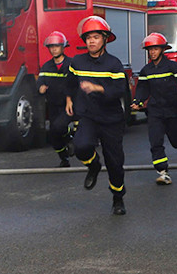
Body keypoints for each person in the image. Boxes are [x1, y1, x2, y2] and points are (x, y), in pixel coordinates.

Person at [65, 16, 127, 215]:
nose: (91, 41)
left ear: (105, 39)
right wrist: (68, 100)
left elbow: (119, 90)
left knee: (115, 163)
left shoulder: (114, 64)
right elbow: (70, 82)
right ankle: (93, 165)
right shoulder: (77, 62)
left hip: (111, 119)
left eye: (96, 37)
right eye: (88, 37)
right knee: (80, 146)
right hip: (88, 116)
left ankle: (118, 198)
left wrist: (97, 88)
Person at [131, 33, 177, 186]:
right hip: (155, 111)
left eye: (155, 49)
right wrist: (137, 101)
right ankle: (162, 172)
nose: (152, 52)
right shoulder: (146, 70)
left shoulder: (174, 67)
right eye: (150, 49)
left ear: (162, 50)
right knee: (155, 142)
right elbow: (142, 88)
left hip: (172, 110)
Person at [37, 31, 74, 167]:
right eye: (51, 46)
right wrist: (40, 87)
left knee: (60, 127)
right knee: (53, 135)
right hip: (53, 105)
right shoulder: (46, 66)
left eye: (57, 46)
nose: (53, 49)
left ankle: (71, 134)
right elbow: (40, 81)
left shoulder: (72, 64)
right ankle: (64, 158)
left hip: (68, 104)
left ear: (63, 47)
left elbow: (77, 83)